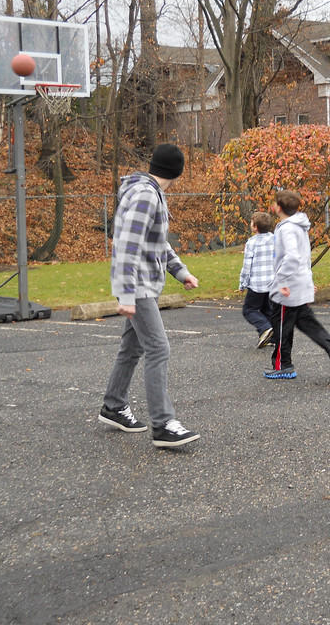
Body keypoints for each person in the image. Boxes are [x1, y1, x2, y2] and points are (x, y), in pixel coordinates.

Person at [97, 143, 201, 448]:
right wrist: (126, 294)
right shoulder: (145, 195)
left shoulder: (148, 192)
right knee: (158, 348)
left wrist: (180, 271)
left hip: (143, 284)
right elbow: (126, 245)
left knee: (132, 348)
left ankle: (114, 405)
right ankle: (163, 424)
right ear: (177, 173)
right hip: (138, 286)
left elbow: (156, 241)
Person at [264, 189, 330, 380]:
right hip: (299, 282)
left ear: (278, 207)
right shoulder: (298, 226)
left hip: (288, 286)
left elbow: (293, 256)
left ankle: (283, 365)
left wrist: (282, 281)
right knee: (305, 322)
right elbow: (304, 256)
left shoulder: (287, 228)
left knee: (281, 324)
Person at [239, 211, 276, 348]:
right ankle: (273, 338)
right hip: (273, 283)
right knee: (268, 310)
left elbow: (247, 265)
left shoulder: (252, 243)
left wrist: (243, 283)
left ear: (255, 227)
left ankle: (265, 328)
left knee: (249, 310)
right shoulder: (276, 240)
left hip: (257, 284)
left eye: (251, 222)